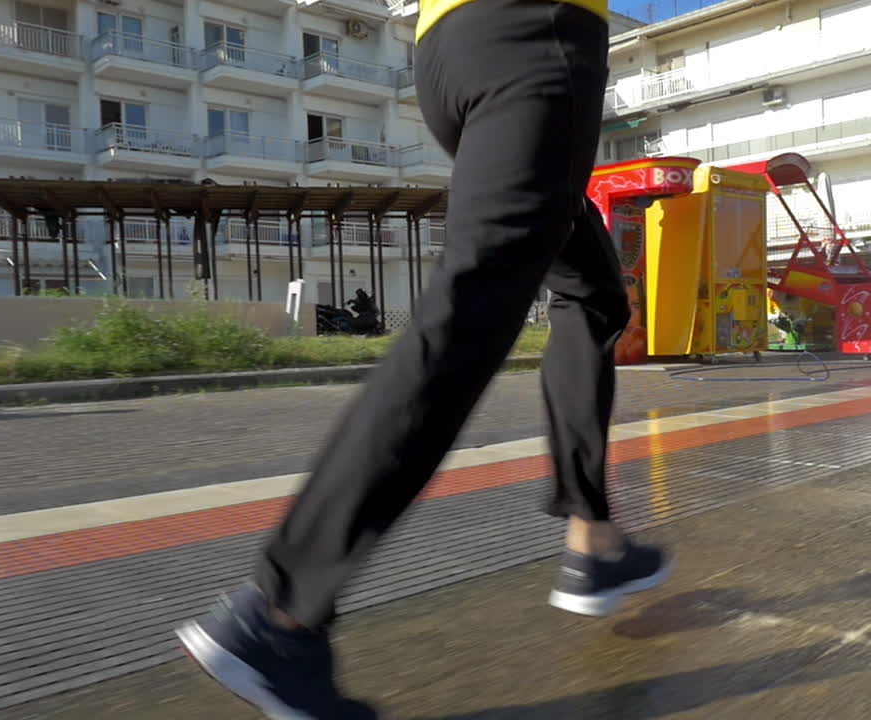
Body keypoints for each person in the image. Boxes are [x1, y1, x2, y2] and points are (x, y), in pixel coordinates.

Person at [173, 0, 673, 716]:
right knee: (471, 306)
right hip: (535, 34)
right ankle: (277, 617)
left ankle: (594, 539)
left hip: (447, 51)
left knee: (592, 293)